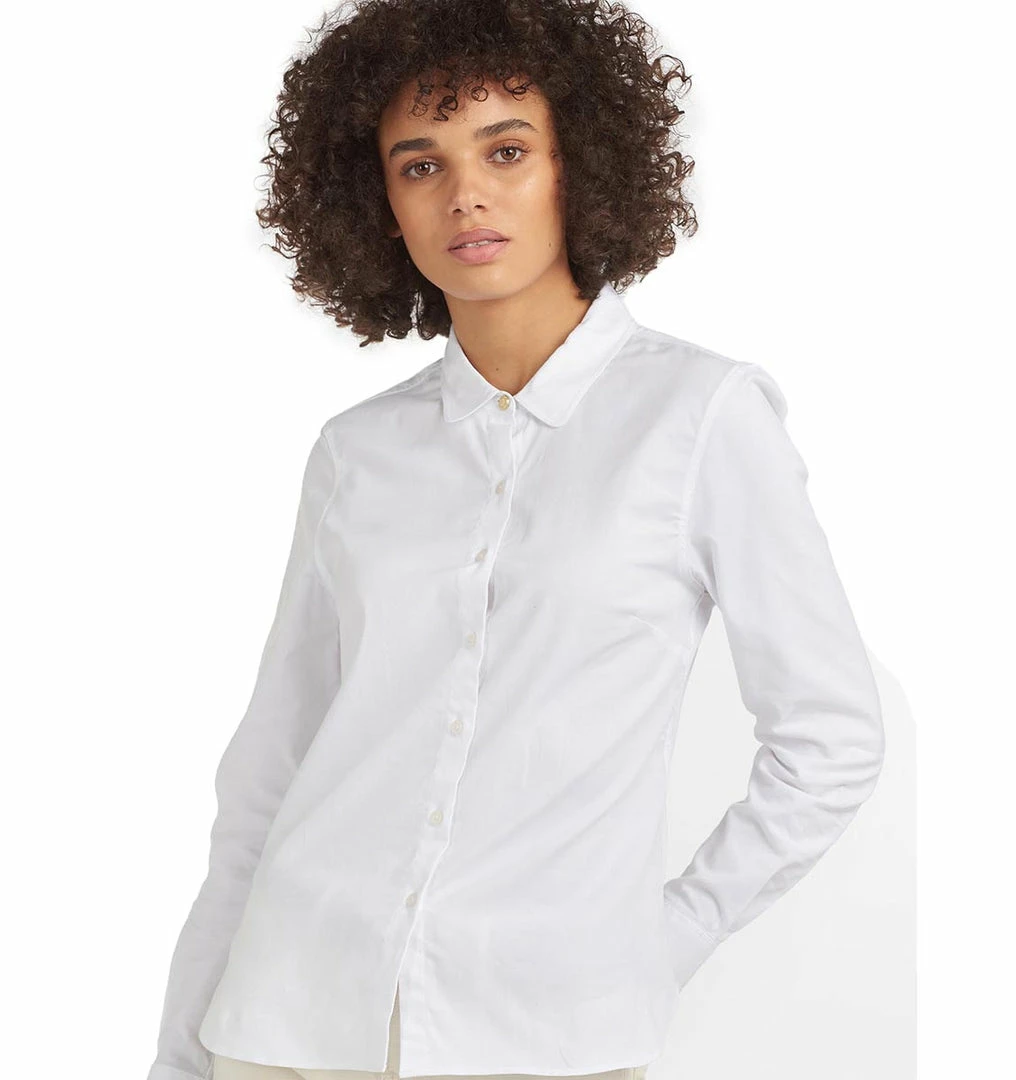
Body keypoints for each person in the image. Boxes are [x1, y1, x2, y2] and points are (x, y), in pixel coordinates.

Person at [146, 2, 886, 1079]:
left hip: (547, 1038)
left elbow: (831, 739)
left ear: (579, 163)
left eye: (506, 150)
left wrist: (659, 941)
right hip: (287, 1019)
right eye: (420, 165)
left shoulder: (701, 417)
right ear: (378, 205)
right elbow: (268, 775)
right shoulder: (357, 452)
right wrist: (180, 1051)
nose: (465, 195)